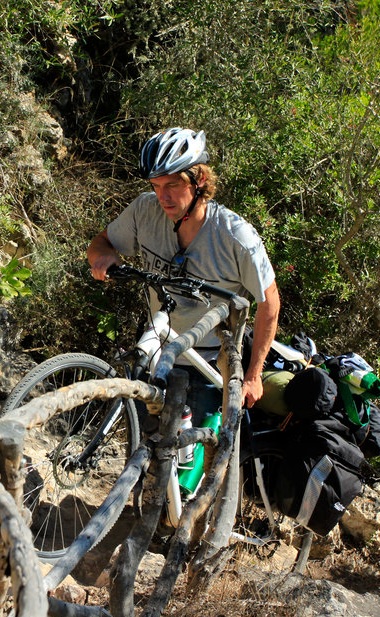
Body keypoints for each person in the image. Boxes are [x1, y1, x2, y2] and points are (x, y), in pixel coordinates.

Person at [86, 127, 280, 414]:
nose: (162, 196)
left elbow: (270, 302)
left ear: (199, 179)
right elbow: (100, 243)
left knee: (196, 454)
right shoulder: (144, 210)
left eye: (173, 185)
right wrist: (105, 258)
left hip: (211, 363)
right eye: (156, 186)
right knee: (145, 447)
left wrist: (252, 376)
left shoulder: (236, 237)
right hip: (159, 349)